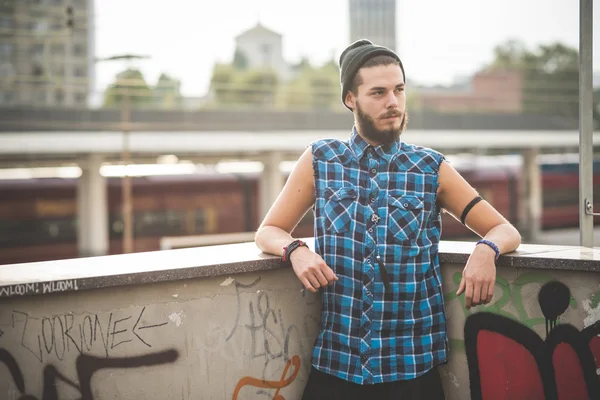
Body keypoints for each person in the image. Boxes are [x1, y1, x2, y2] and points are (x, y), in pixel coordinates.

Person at [254, 39, 521, 400]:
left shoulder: (430, 168)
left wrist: (486, 250)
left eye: (399, 90)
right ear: (351, 98)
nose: (393, 102)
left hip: (412, 371)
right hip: (338, 365)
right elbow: (268, 231)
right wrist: (297, 250)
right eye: (378, 92)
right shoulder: (321, 160)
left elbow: (504, 229)